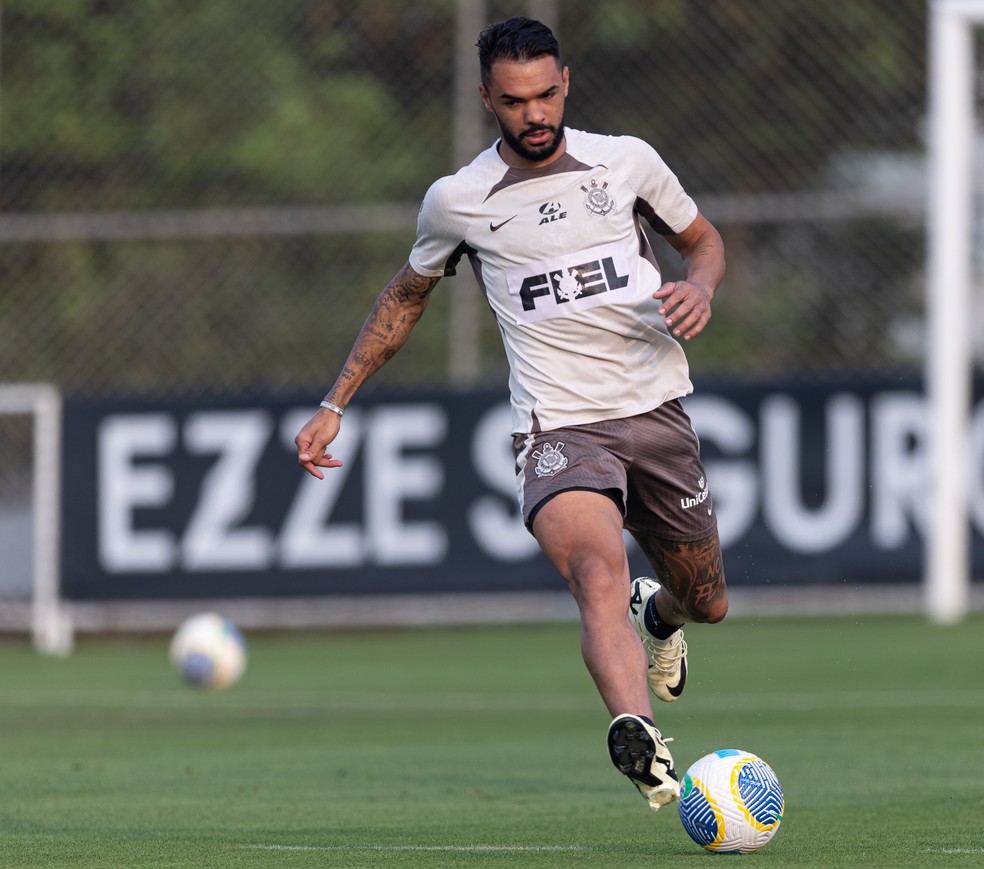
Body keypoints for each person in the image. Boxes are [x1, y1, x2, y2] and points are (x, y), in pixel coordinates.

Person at [295, 15, 728, 813]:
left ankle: (659, 615)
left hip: (656, 408)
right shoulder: (459, 201)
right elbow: (404, 296)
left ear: (567, 83)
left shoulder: (626, 162)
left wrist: (698, 285)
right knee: (595, 571)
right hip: (556, 425)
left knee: (707, 599)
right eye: (513, 101)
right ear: (487, 99)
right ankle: (637, 732)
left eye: (545, 95)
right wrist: (335, 402)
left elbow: (703, 241)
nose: (534, 114)